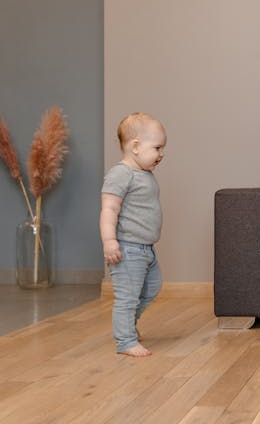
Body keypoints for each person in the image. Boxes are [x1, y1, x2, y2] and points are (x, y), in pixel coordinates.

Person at [100, 112, 166, 357]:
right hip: (128, 248)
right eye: (157, 147)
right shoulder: (121, 174)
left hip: (146, 248)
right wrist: (109, 241)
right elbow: (109, 208)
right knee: (127, 296)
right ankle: (125, 340)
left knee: (152, 286)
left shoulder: (144, 173)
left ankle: (127, 325)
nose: (161, 154)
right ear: (135, 146)